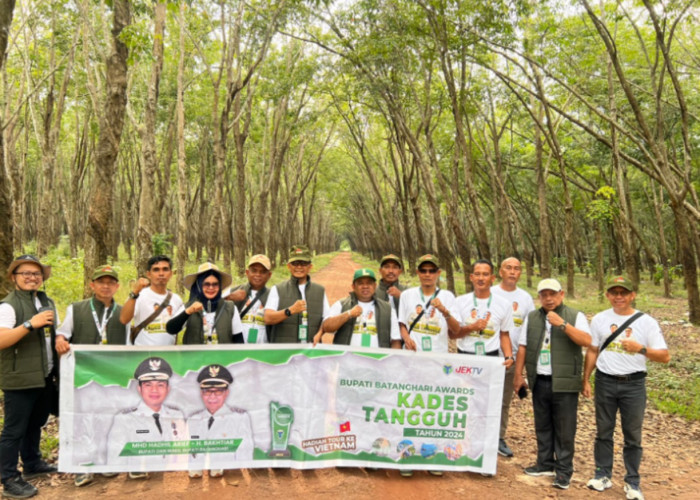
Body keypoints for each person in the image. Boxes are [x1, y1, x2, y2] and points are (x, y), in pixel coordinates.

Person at [583, 277, 670, 500]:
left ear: (633, 295)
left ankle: (632, 482)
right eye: (614, 292)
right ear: (607, 295)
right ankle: (602, 475)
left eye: (624, 292)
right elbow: (593, 350)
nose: (619, 297)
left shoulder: (646, 322)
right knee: (604, 431)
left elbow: (664, 356)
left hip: (633, 384)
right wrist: (586, 379)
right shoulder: (600, 319)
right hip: (605, 381)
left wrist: (640, 348)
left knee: (632, 435)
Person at [54, 264, 129, 487]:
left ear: (117, 286)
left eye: (110, 282)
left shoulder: (124, 312)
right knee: (82, 419)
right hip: (83, 375)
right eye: (101, 282)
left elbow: (129, 344)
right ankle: (82, 466)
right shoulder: (76, 309)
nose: (106, 286)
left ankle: (102, 463)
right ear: (92, 284)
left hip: (111, 376)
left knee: (106, 419)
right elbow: (62, 333)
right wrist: (60, 340)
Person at [513, 278, 591, 490]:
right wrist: (518, 375)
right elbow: (522, 346)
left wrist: (563, 325)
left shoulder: (575, 316)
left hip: (565, 382)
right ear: (539, 297)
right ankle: (545, 463)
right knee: (543, 425)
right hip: (540, 380)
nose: (548, 298)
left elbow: (586, 340)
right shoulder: (532, 317)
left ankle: (564, 471)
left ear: (561, 294)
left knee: (565, 429)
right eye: (544, 295)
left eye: (552, 294)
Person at [396, 254, 460, 478]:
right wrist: (406, 338)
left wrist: (444, 310)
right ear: (417, 273)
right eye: (423, 271)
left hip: (437, 359)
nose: (427, 275)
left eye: (431, 271)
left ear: (438, 273)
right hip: (411, 359)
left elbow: (455, 328)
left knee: (432, 405)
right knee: (409, 404)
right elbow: (402, 323)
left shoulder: (449, 296)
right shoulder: (407, 295)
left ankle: (431, 453)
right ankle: (406, 452)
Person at [0, 255, 58, 498]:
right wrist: (29, 325)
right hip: (19, 377)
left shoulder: (46, 301)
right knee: (14, 430)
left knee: (36, 422)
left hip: (44, 375)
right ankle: (9, 478)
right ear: (15, 278)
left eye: (36, 274)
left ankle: (33, 463)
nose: (32, 277)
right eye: (25, 273)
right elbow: (2, 340)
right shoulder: (8, 306)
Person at [453, 259, 516, 458]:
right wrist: (471, 327)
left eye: (485, 274)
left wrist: (508, 355)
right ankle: (459, 447)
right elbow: (453, 334)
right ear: (471, 277)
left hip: (490, 361)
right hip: (466, 359)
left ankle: (481, 452)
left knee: (485, 406)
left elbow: (504, 334)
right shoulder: (460, 301)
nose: (481, 278)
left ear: (492, 278)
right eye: (477, 274)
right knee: (463, 404)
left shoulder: (503, 305)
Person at [106, 357, 187, 473]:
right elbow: (115, 462)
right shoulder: (124, 419)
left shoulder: (176, 416)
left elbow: (183, 454)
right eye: (148, 385)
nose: (154, 390)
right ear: (139, 389)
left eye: (160, 385)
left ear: (168, 389)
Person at [490, 257, 535, 457]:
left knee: (503, 401)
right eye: (508, 268)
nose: (512, 271)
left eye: (517, 268)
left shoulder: (525, 298)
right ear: (500, 272)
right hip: (489, 355)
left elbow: (528, 330)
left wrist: (522, 367)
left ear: (520, 273)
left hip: (511, 357)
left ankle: (498, 437)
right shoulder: (490, 293)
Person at [187, 364, 254, 478]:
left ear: (226, 393)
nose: (212, 397)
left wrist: (241, 465)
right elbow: (191, 447)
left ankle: (218, 466)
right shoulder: (193, 419)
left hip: (227, 465)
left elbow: (245, 447)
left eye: (218, 391)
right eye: (207, 391)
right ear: (201, 393)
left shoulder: (239, 417)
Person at [317, 268, 402, 348]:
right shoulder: (342, 304)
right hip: (347, 360)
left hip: (376, 361)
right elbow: (326, 326)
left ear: (375, 286)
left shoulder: (388, 309)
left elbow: (395, 340)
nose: (365, 286)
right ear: (353, 286)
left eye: (369, 283)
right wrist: (348, 314)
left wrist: (393, 362)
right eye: (361, 283)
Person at [264, 245, 330, 344]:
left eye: (303, 263)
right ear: (289, 266)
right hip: (285, 352)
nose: (299, 267)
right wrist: (290, 311)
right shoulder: (277, 289)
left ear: (310, 267)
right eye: (295, 263)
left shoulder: (320, 291)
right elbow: (268, 318)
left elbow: (327, 319)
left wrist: (319, 334)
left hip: (310, 351)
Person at [166, 263, 244, 344]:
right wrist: (188, 312)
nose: (211, 288)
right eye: (206, 284)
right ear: (199, 286)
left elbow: (238, 340)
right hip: (195, 356)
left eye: (215, 284)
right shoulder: (189, 307)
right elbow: (171, 329)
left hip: (223, 356)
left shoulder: (230, 308)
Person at [119, 255, 184, 346]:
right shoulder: (139, 296)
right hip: (142, 355)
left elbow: (180, 327)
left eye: (165, 269)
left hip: (169, 355)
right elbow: (124, 319)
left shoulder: (176, 299)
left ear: (171, 273)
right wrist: (135, 292)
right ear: (148, 274)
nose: (161, 273)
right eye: (156, 270)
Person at [226, 255, 272, 343]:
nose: (258, 275)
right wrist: (229, 297)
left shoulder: (273, 295)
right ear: (247, 272)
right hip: (239, 349)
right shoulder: (234, 292)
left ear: (269, 275)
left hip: (264, 350)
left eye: (262, 272)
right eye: (254, 271)